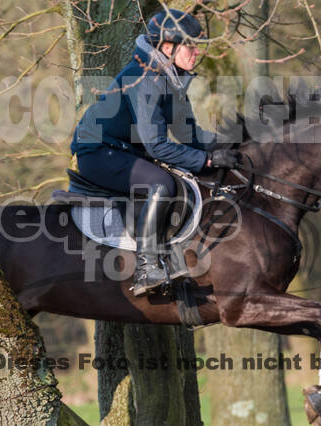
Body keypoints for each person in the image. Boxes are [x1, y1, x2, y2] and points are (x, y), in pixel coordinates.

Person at [70, 9, 241, 296]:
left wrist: (230, 144)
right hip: (99, 153)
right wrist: (207, 160)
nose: (196, 52)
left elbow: (189, 135)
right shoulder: (145, 77)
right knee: (161, 183)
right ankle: (147, 267)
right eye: (190, 45)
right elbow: (157, 145)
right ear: (167, 47)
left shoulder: (171, 76)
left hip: (125, 151)